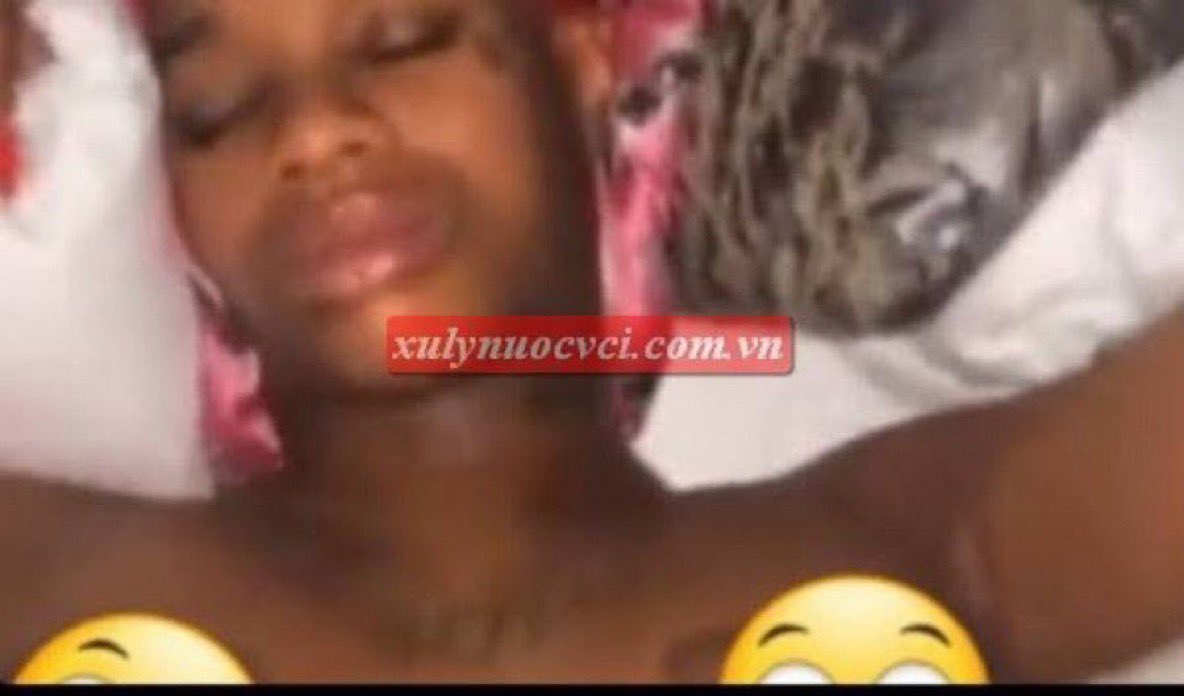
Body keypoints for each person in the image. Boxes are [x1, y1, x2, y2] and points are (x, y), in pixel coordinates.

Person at [0, 0, 1183, 682]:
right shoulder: (40, 569)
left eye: (404, 36)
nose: (314, 133)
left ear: (575, 66)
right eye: (218, 109)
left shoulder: (924, 543)